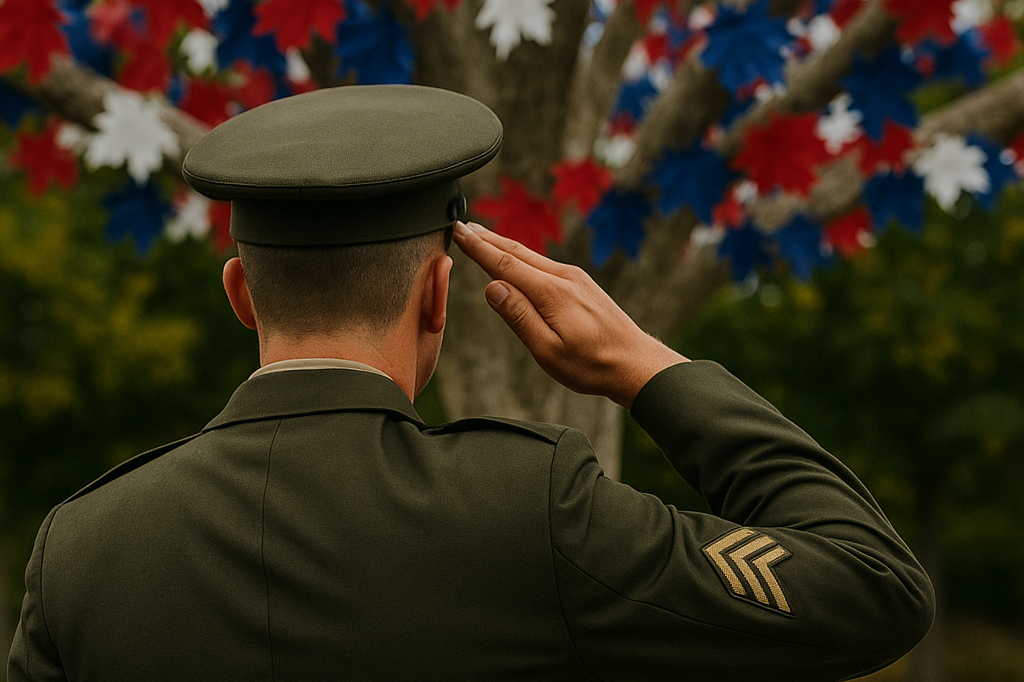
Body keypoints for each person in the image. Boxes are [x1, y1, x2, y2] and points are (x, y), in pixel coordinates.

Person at [9, 86, 933, 681]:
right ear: (439, 292)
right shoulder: (528, 508)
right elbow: (872, 587)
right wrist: (651, 371)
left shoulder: (82, 549)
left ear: (241, 294)